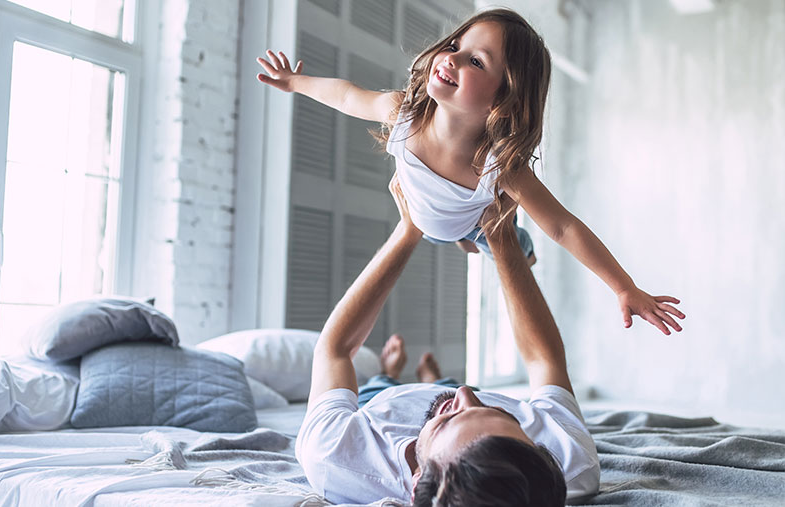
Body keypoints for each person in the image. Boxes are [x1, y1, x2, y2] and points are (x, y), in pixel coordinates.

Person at [257, 8, 685, 335]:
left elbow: (562, 227)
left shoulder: (498, 168)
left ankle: (485, 239)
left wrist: (623, 286)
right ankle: (464, 237)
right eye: (456, 46)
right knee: (462, 231)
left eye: (476, 62)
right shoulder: (402, 113)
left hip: (473, 221)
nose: (452, 58)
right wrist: (297, 83)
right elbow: (348, 96)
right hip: (424, 211)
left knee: (508, 240)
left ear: (505, 98)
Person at [294, 177, 600, 506]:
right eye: (501, 416)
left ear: (416, 484)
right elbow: (545, 361)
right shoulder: (571, 463)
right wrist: (500, 236)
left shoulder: (335, 454)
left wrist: (408, 231)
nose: (466, 394)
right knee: (449, 387)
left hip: (382, 403)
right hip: (445, 411)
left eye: (449, 421)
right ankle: (435, 381)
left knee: (379, 384)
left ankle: (391, 373)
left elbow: (336, 350)